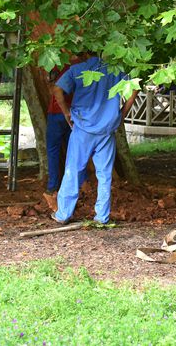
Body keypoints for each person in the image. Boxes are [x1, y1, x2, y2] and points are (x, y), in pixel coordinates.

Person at [47, 52, 138, 225]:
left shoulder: (78, 69)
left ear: (86, 53)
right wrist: (122, 116)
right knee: (104, 175)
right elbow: (134, 89)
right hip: (106, 129)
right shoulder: (116, 70)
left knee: (73, 170)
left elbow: (57, 89)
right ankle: (102, 217)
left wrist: (66, 112)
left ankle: (63, 214)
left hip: (82, 128)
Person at [44, 61, 86, 201]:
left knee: (53, 151)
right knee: (75, 151)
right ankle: (78, 184)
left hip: (56, 113)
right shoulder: (79, 68)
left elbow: (53, 89)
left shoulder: (55, 67)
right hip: (74, 113)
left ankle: (52, 186)